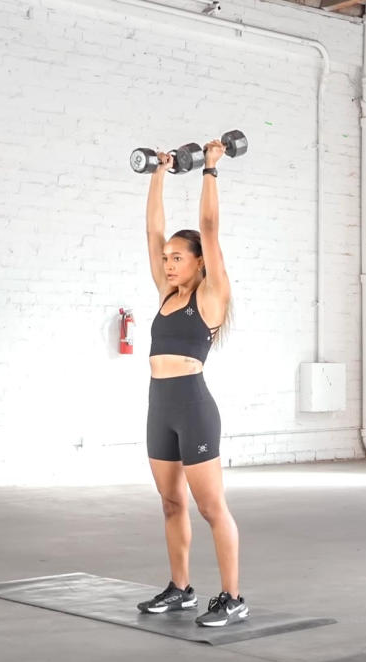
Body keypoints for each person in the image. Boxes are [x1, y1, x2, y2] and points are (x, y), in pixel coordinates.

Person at [136, 141, 247, 628]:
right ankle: (181, 588)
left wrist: (209, 169)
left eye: (177, 257)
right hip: (159, 406)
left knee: (209, 506)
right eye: (165, 259)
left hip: (194, 408)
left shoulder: (211, 295)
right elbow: (153, 229)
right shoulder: (166, 294)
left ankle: (232, 595)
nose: (167, 263)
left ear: (200, 262)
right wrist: (158, 172)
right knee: (170, 501)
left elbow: (210, 229)